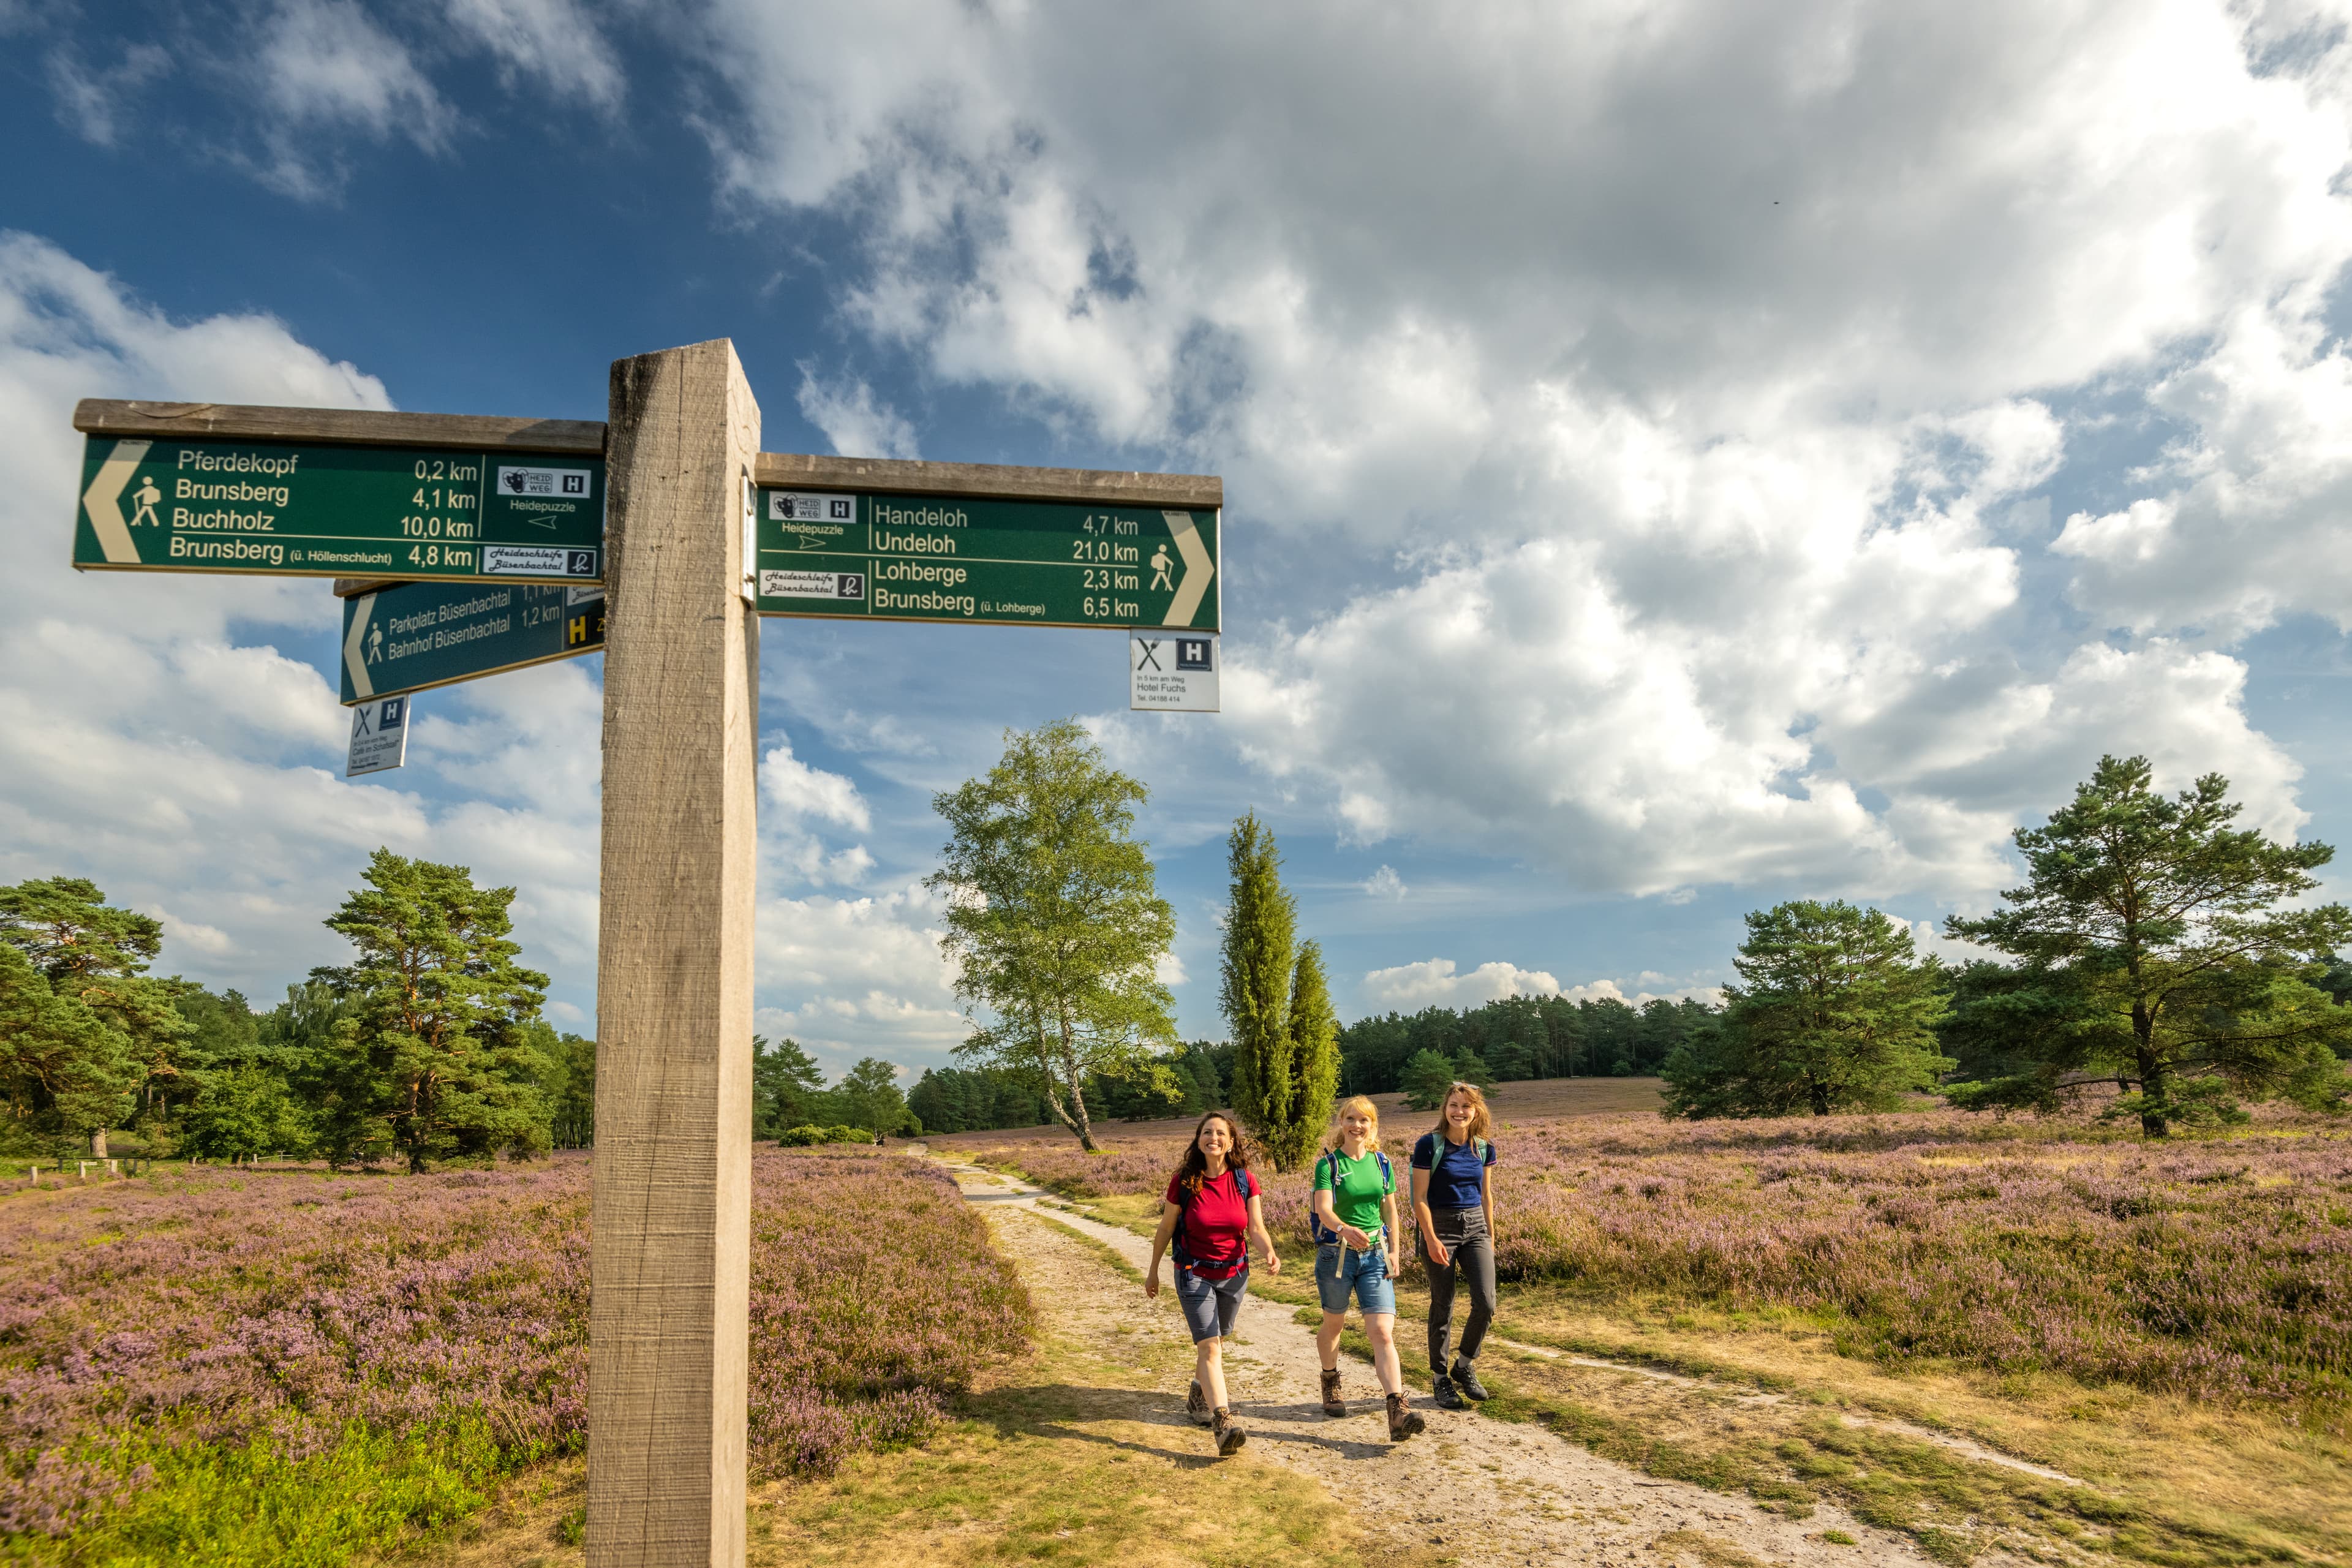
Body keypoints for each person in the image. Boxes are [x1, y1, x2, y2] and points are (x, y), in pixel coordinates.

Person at [1146, 1110, 1281, 1456]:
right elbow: (1165, 1228)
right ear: (1199, 1140)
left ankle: (1197, 1395)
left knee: (1217, 1339)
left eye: (1221, 1133)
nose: (1214, 1138)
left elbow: (1255, 1226)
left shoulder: (1244, 1180)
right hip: (1193, 1272)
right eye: (1207, 1132)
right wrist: (1153, 1269)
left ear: (1230, 1141)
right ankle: (1223, 1421)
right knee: (1210, 1347)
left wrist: (1269, 1252)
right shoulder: (1185, 1180)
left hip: (1235, 1273)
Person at [1310, 1095, 1425, 1441]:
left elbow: (1391, 1211)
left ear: (1373, 1125)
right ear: (1341, 1123)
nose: (1357, 1126)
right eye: (1351, 1119)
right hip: (1336, 1256)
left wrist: (1395, 1251)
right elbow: (1323, 1210)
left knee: (1382, 1332)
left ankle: (1397, 1409)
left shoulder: (1382, 1163)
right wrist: (1344, 1228)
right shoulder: (1328, 1165)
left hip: (1376, 1256)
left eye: (1364, 1120)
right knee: (1335, 1324)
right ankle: (1330, 1381)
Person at [1411, 1082, 1498, 1409]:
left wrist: (1490, 1235)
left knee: (1486, 1301)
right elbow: (1419, 1198)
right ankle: (1439, 1378)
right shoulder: (1428, 1145)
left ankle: (1463, 1365)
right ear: (1445, 1108)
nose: (1459, 1112)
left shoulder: (1484, 1147)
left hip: (1476, 1226)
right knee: (1443, 1304)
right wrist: (1431, 1238)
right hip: (1440, 1227)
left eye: (1466, 1106)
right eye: (1454, 1105)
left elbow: (1486, 1195)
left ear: (1476, 1111)